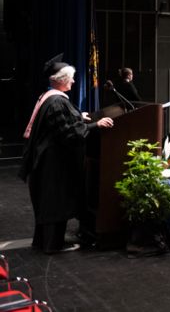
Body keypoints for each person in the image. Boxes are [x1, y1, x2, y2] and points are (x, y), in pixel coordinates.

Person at [19, 55, 114, 254]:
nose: (73, 81)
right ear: (61, 80)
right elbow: (69, 133)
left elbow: (62, 121)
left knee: (50, 202)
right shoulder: (56, 102)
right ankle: (53, 245)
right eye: (70, 78)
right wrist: (96, 124)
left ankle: (43, 242)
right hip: (53, 163)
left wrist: (80, 115)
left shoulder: (49, 97)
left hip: (48, 160)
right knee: (55, 202)